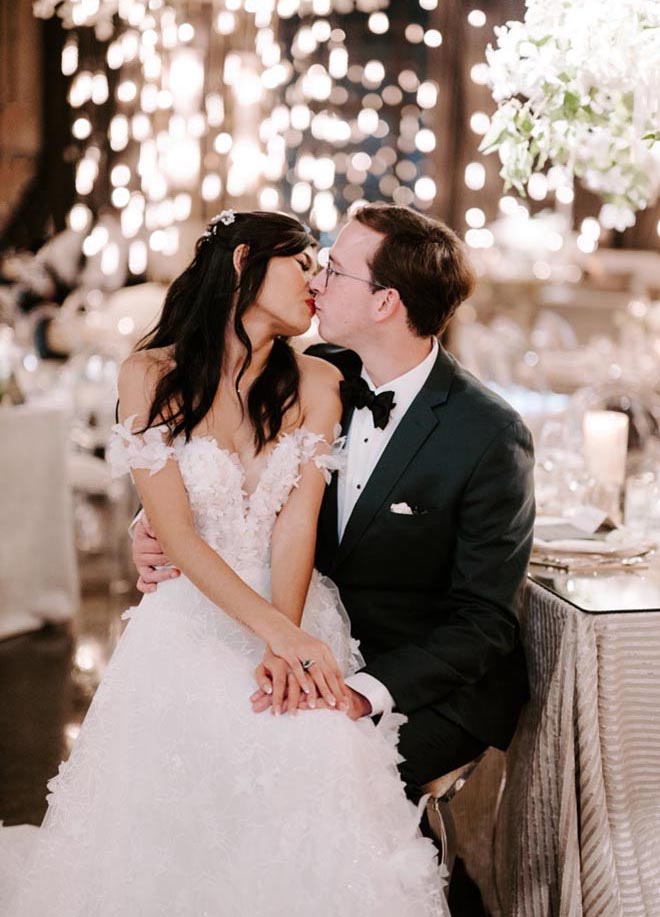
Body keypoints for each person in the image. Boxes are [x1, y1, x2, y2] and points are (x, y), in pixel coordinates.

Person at [0, 210, 443, 917]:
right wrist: (273, 630)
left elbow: (296, 525)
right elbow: (176, 533)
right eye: (302, 264)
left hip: (294, 608)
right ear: (243, 263)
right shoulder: (149, 374)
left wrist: (288, 638)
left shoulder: (319, 382)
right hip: (187, 613)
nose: (316, 282)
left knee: (312, 751)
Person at [135, 204, 535, 814]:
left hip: (419, 685)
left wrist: (362, 692)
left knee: (294, 773)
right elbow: (215, 463)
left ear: (384, 303)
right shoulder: (313, 379)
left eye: (335, 270)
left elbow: (483, 623)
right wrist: (148, 529)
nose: (316, 281)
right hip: (299, 639)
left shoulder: (488, 434)